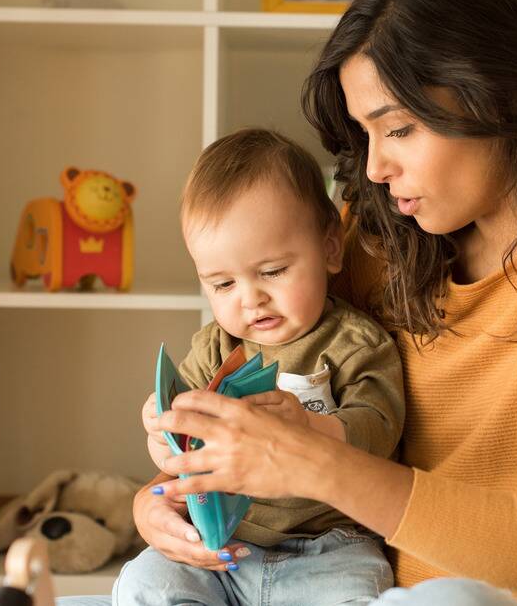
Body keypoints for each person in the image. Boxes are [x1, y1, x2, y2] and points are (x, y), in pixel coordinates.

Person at [76, 0, 517, 606]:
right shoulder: (384, 241)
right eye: (365, 137)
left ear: (500, 96)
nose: (375, 168)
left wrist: (317, 460)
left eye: (398, 129)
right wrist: (160, 499)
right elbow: (261, 364)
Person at [115, 128, 405, 605]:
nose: (252, 298)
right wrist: (161, 438)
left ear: (331, 248)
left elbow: (379, 427)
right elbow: (179, 454)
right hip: (225, 547)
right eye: (223, 284)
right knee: (146, 582)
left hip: (329, 548)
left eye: (273, 271)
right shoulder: (215, 345)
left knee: (356, 592)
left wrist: (310, 429)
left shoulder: (356, 343)